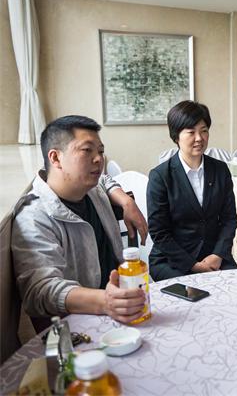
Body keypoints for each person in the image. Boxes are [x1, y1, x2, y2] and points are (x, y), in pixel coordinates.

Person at [11, 115, 148, 328]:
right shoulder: (34, 216)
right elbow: (40, 290)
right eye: (87, 150)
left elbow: (105, 180)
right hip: (80, 325)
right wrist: (105, 301)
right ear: (55, 158)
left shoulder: (91, 189)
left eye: (100, 151)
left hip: (120, 312)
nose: (99, 159)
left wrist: (126, 201)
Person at [146, 100, 237, 280]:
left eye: (204, 131)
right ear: (176, 136)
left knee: (234, 289)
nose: (199, 138)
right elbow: (159, 232)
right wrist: (193, 266)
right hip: (172, 260)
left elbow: (229, 219)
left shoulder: (220, 170)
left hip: (213, 257)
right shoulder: (160, 176)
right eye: (191, 132)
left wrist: (218, 254)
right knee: (190, 292)